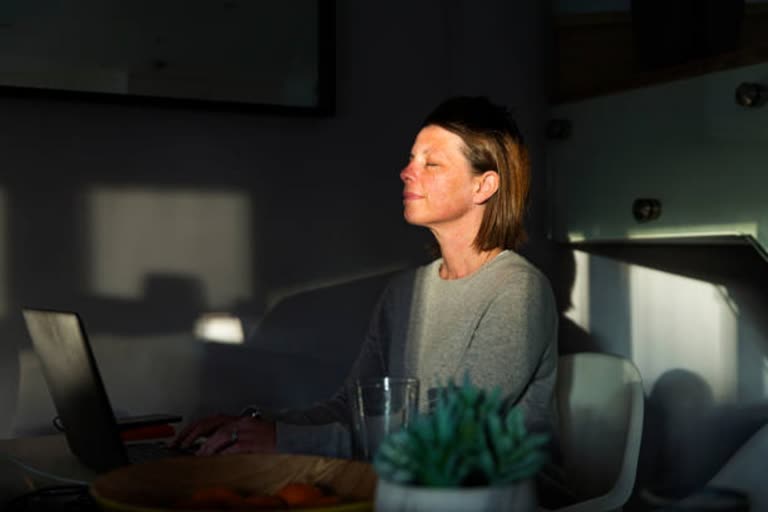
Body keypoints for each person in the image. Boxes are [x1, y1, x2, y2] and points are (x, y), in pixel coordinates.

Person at [173, 96, 558, 459]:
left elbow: (449, 437)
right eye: (411, 160)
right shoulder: (405, 292)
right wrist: (256, 426)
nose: (406, 172)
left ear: (484, 185)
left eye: (431, 163)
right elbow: (351, 409)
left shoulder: (516, 290)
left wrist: (285, 440)